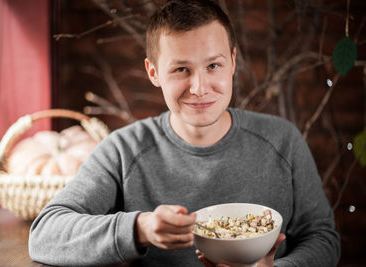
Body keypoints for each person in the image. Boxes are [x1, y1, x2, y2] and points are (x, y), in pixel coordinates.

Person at [28, 0, 340, 266]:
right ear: (153, 72)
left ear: (233, 61)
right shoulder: (123, 149)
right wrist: (141, 228)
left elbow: (324, 238)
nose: (199, 87)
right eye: (181, 69)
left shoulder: (283, 140)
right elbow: (45, 234)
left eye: (213, 66)